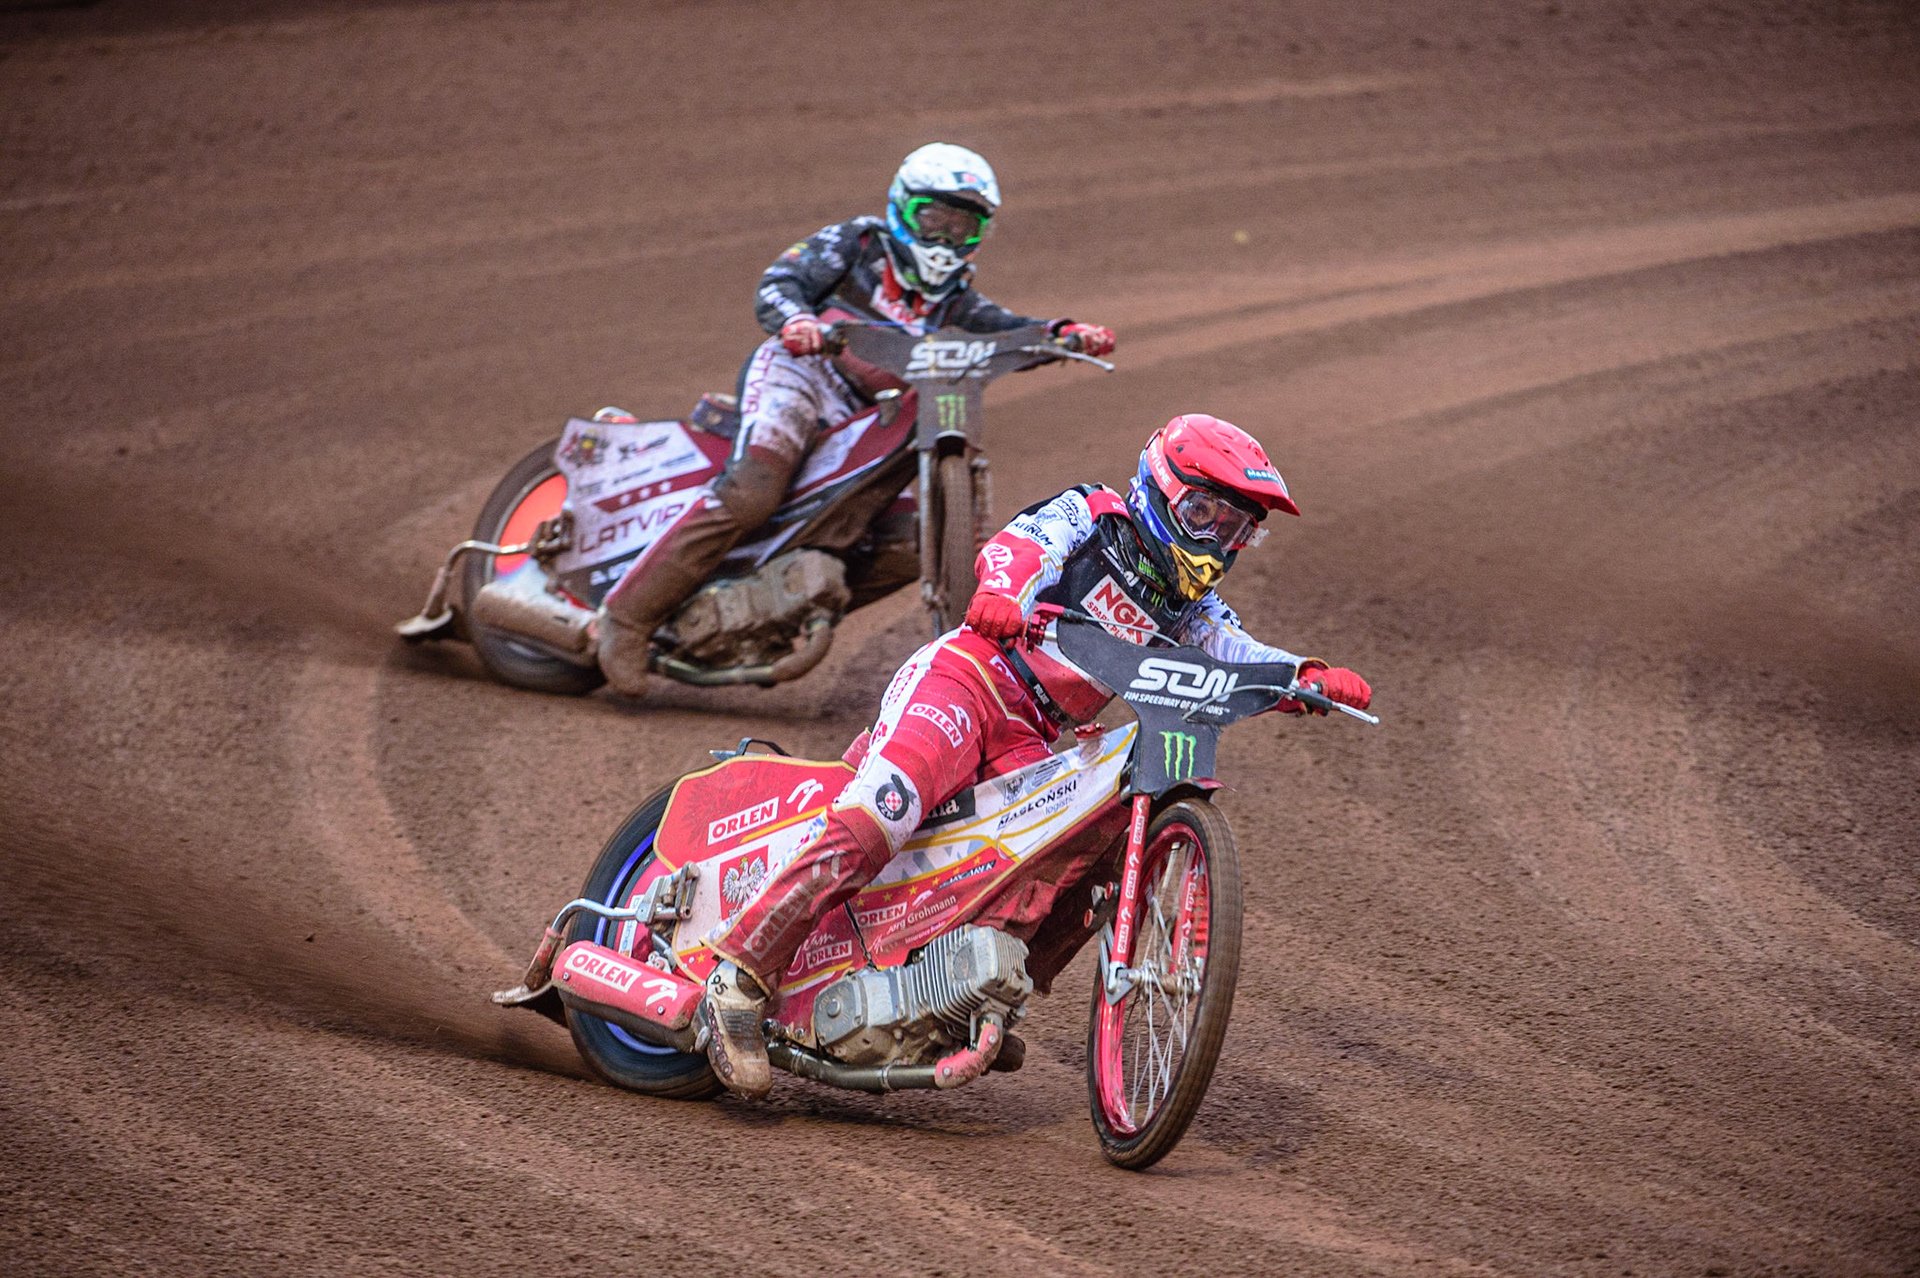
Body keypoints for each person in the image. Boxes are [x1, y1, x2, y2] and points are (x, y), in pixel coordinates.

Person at [697, 412, 1373, 1096]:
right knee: (885, 810)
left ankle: (964, 987)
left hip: (1034, 737)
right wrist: (1000, 592)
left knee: (1088, 833)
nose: (1216, 540)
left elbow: (1241, 653)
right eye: (1204, 515)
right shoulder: (1094, 514)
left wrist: (1304, 678)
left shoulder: (1192, 610)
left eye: (1235, 529)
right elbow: (1025, 547)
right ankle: (737, 980)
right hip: (971, 680)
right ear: (1162, 489)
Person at [595, 142, 1118, 695]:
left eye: (960, 227)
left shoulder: (957, 303)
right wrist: (799, 320)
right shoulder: (857, 245)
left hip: (872, 415)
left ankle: (781, 610)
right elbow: (779, 282)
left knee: (905, 545)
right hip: (802, 374)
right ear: (901, 208)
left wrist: (1062, 334)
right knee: (755, 489)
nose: (943, 240)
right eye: (933, 219)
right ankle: (627, 618)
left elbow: (1007, 330)